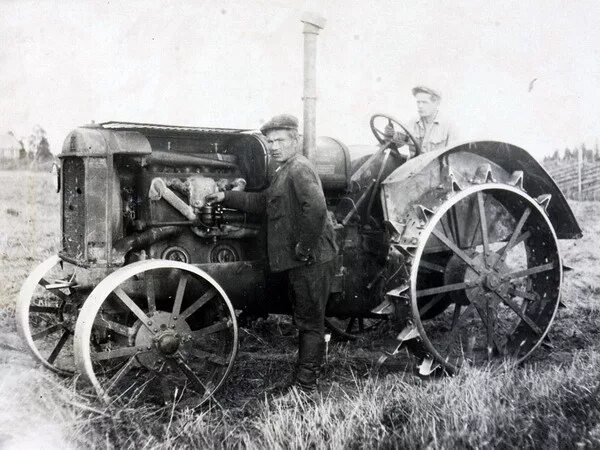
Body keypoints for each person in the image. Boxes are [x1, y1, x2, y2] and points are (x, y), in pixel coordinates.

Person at [205, 114, 338, 392]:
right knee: (305, 318)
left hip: (312, 259)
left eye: (280, 140)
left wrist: (303, 247)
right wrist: (226, 197)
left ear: (295, 140)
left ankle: (305, 387)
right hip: (303, 258)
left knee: (309, 322)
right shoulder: (283, 171)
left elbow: (315, 209)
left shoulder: (299, 168)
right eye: (270, 141)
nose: (274, 146)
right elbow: (263, 201)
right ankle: (306, 377)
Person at [385, 85, 458, 153]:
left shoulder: (448, 126)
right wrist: (389, 135)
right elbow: (394, 145)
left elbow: (453, 156)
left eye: (424, 102)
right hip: (413, 165)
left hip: (435, 166)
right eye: (418, 102)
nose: (420, 106)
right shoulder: (412, 122)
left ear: (436, 103)